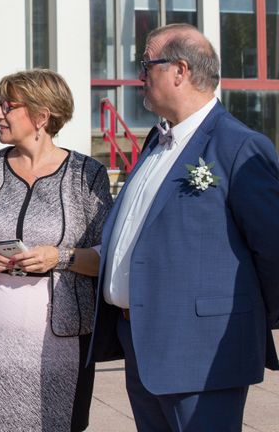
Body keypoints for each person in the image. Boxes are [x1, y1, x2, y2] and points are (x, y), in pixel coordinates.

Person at [90, 23, 279, 431]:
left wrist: (254, 322)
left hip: (203, 352)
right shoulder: (157, 143)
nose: (138, 75)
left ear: (179, 71)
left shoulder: (238, 146)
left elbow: (273, 248)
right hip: (141, 342)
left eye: (146, 64)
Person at [0, 69, 113, 431]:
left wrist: (61, 257)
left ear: (41, 115)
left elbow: (107, 255)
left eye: (7, 106)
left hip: (62, 339)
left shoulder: (87, 173)